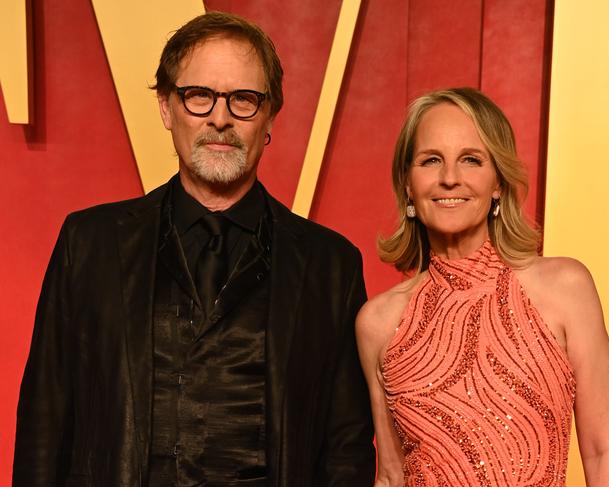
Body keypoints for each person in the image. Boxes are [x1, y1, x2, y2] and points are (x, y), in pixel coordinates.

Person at [13, 11, 375, 486]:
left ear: (269, 116)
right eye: (198, 96)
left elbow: (345, 450)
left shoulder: (331, 265)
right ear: (166, 107)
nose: (220, 118)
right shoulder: (89, 243)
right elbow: (45, 423)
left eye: (243, 99)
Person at [356, 87, 609, 486]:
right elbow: (391, 476)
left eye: (471, 160)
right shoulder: (378, 322)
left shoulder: (565, 288)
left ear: (498, 181)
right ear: (409, 185)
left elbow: (603, 451)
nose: (450, 179)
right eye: (431, 161)